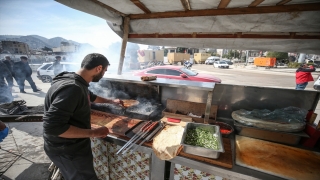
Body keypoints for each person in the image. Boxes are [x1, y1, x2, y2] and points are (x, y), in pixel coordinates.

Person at [43, 53, 124, 180]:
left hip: (70, 147)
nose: (103, 74)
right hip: (67, 150)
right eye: (104, 71)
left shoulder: (77, 82)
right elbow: (53, 127)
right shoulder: (72, 88)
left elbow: (91, 97)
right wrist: (95, 132)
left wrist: (111, 101)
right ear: (98, 68)